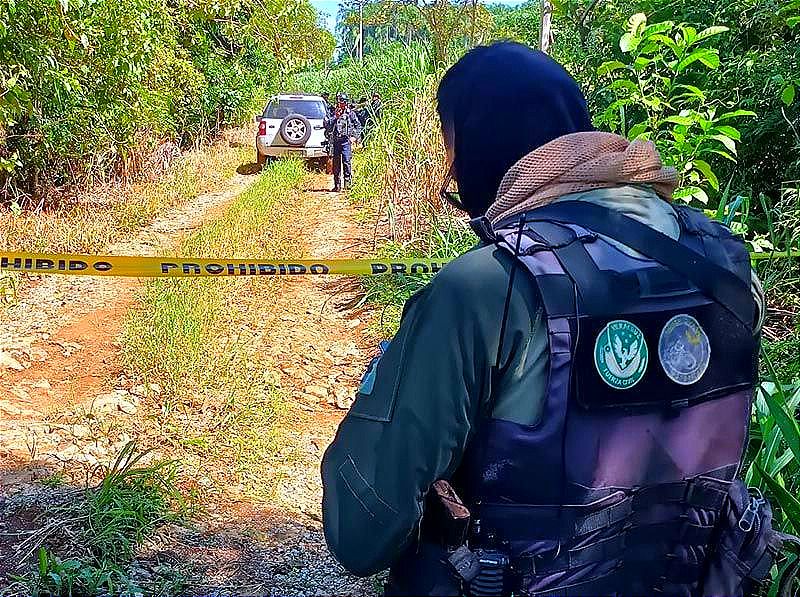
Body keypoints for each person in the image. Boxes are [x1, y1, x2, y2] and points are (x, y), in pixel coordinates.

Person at [321, 42, 794, 596]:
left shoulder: (482, 288)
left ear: (484, 144)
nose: (451, 173)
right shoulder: (724, 265)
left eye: (451, 148)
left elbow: (359, 533)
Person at [324, 92, 361, 192]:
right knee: (336, 164)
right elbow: (327, 125)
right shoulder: (332, 112)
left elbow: (358, 126)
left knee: (347, 162)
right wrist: (336, 116)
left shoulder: (350, 113)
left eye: (344, 102)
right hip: (335, 142)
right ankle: (337, 186)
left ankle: (348, 185)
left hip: (346, 141)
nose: (342, 104)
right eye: (340, 101)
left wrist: (354, 137)